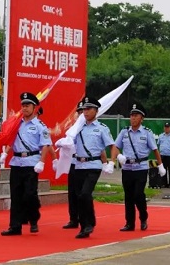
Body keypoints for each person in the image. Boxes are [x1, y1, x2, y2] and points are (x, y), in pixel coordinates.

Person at [1, 92, 55, 236]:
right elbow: (11, 140)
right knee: (16, 195)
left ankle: (33, 217)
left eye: (27, 105)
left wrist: (42, 162)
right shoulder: (16, 123)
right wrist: (5, 153)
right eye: (23, 105)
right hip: (17, 162)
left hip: (32, 163)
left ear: (34, 107)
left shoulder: (40, 126)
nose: (24, 108)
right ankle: (15, 226)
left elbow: (45, 145)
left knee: (30, 195)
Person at [111, 102, 165, 232]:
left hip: (141, 168)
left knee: (138, 194)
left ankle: (143, 216)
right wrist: (117, 158)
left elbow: (155, 150)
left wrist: (161, 165)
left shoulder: (146, 133)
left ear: (142, 118)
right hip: (127, 168)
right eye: (131, 115)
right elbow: (115, 147)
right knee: (128, 196)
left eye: (136, 116)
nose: (133, 118)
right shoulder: (124, 132)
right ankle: (129, 223)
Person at [71, 96, 115, 238]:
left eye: (89, 109)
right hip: (78, 165)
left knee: (85, 193)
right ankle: (84, 226)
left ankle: (89, 224)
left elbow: (112, 146)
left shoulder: (102, 128)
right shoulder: (77, 128)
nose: (85, 111)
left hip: (93, 165)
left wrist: (111, 162)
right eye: (84, 109)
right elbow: (69, 142)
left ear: (96, 111)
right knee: (80, 197)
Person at [62, 100, 83, 230]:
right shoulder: (72, 129)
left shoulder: (91, 128)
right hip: (73, 162)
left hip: (85, 164)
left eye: (83, 111)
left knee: (83, 193)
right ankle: (73, 219)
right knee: (72, 193)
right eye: (79, 112)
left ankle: (84, 218)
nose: (81, 114)